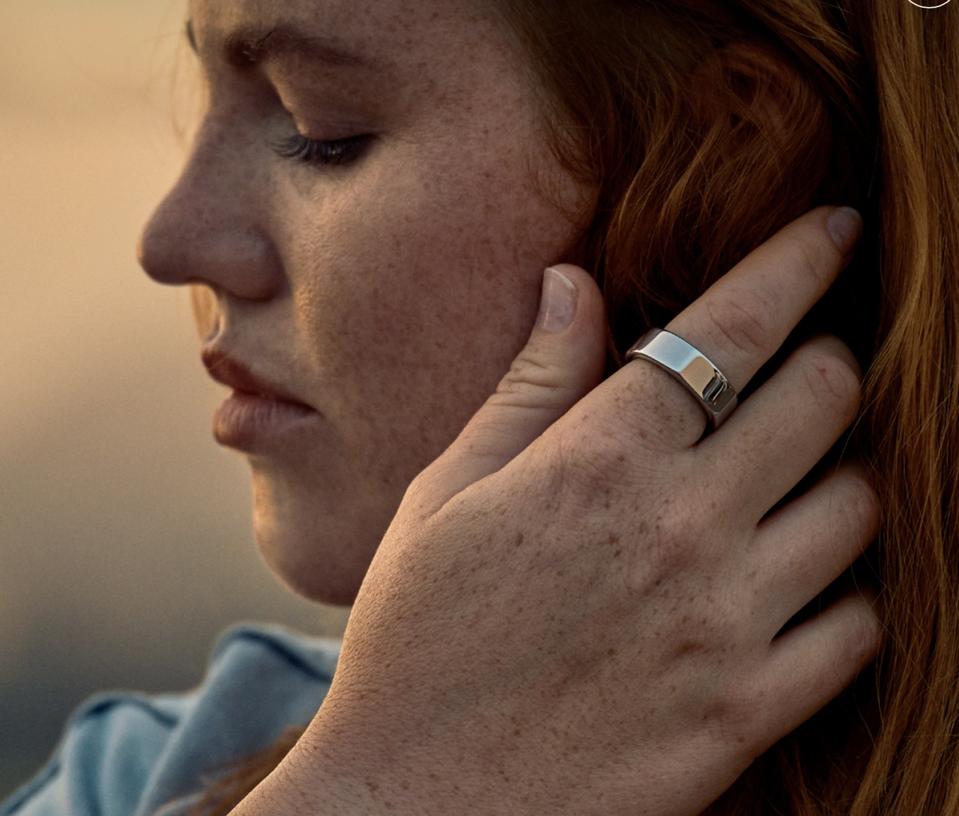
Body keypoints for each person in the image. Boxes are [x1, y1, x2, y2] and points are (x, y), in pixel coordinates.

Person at [3, 1, 958, 814]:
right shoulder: (138, 777)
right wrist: (390, 788)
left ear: (734, 162)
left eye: (316, 128)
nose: (172, 241)